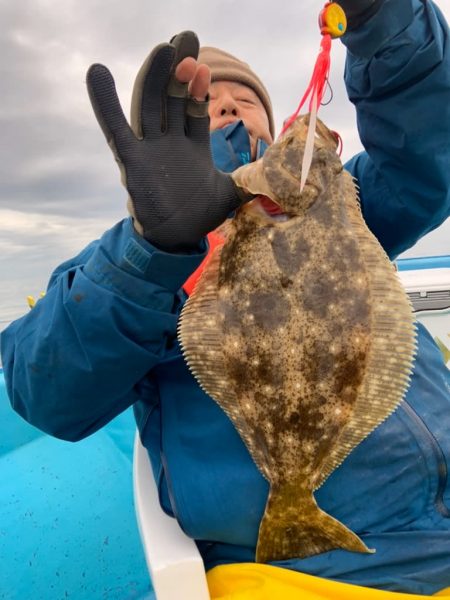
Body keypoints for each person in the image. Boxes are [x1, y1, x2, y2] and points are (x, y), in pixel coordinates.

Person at [2, 0, 450, 595]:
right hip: (298, 572)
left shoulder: (350, 201)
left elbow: (424, 145)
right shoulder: (134, 258)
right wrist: (151, 250)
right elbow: (46, 391)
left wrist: (387, 23)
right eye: (208, 105)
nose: (230, 106)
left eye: (246, 100)